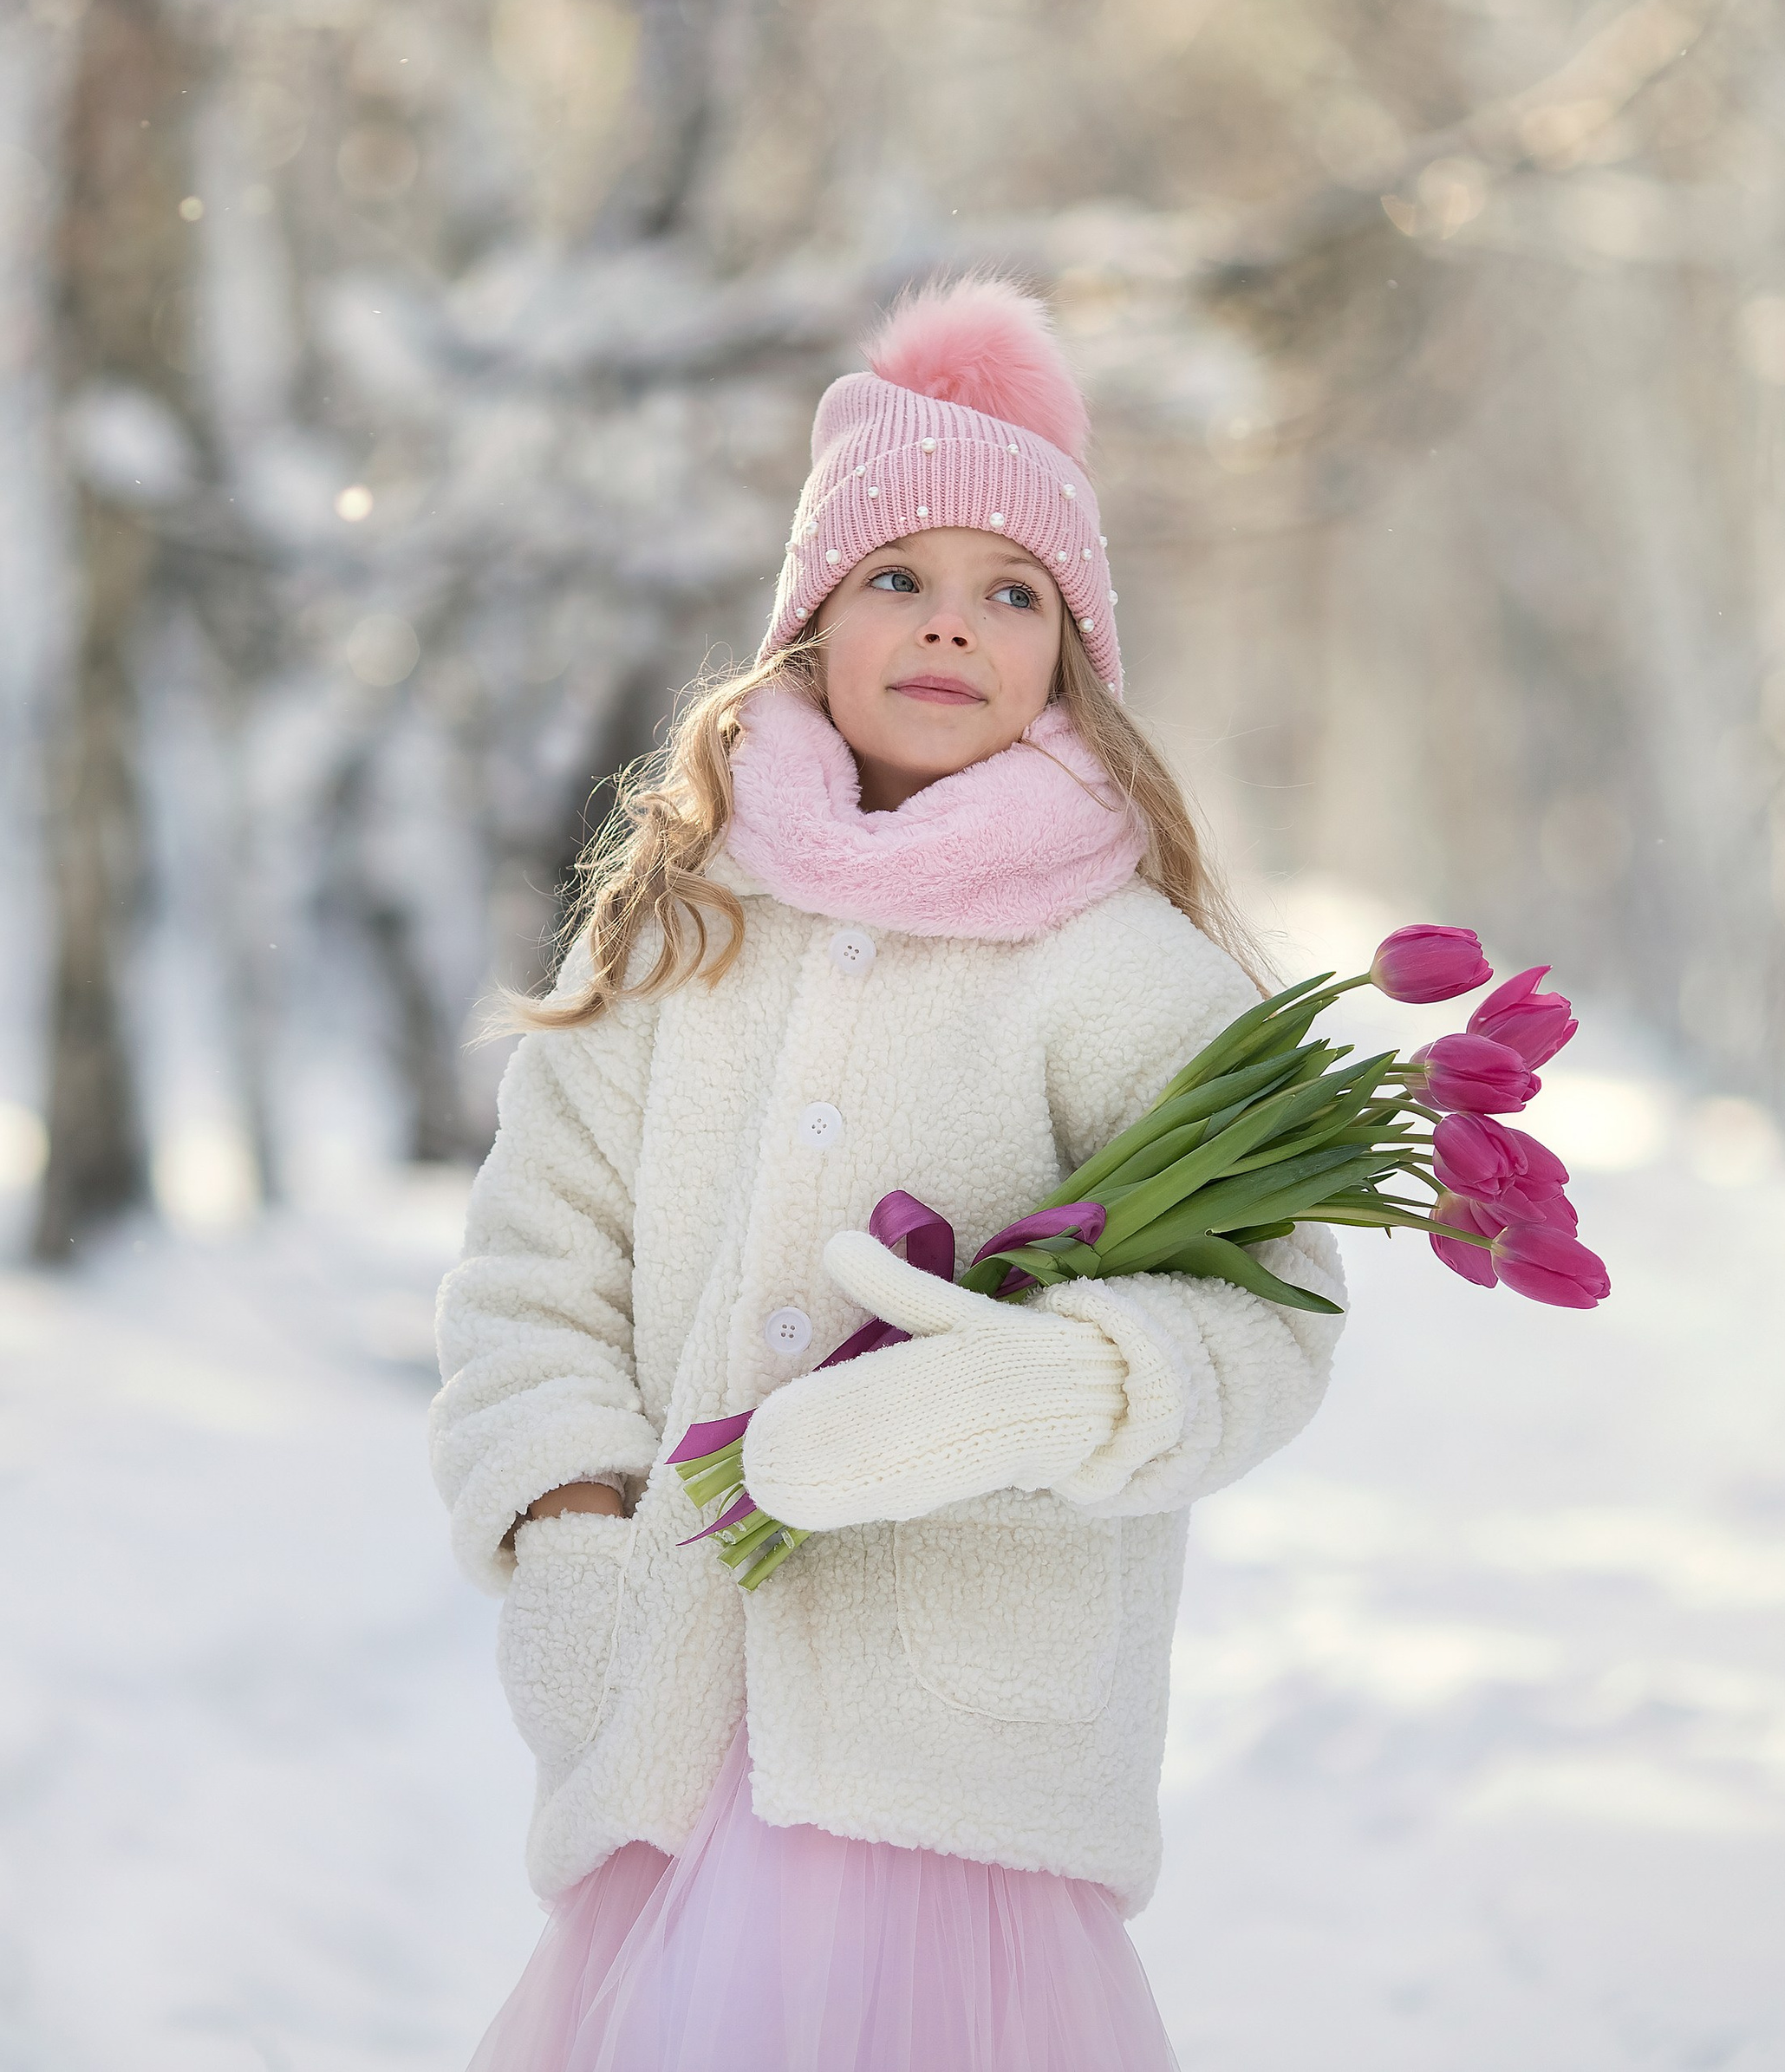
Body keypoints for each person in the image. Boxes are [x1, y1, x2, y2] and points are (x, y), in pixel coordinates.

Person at [429, 269, 1349, 2071]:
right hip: (684, 1737)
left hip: (960, 1775)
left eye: (1010, 591)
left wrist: (1043, 1389)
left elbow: (1271, 1312)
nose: (950, 627)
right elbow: (532, 1266)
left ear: (1069, 650)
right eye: (895, 580)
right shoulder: (684, 933)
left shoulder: (1117, 965)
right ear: (808, 622)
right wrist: (565, 1518)